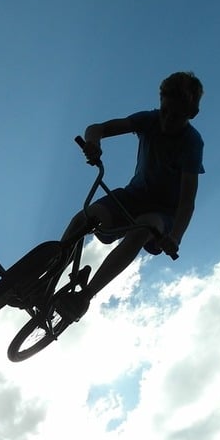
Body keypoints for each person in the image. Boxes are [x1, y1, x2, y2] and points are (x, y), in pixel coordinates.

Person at [57, 71, 204, 320]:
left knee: (145, 227)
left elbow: (187, 202)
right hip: (132, 196)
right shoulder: (150, 120)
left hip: (163, 212)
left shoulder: (191, 143)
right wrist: (94, 143)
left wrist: (175, 237)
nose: (167, 120)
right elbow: (98, 128)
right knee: (85, 217)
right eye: (165, 110)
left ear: (191, 114)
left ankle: (85, 296)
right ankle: (48, 271)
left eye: (176, 116)